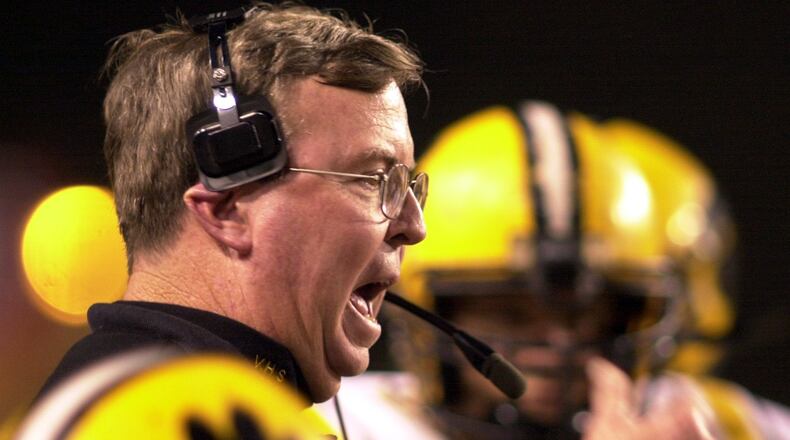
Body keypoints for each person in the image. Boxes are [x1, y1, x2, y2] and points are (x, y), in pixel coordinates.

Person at [35, 2, 427, 410]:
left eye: (409, 185)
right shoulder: (151, 415)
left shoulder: (198, 400)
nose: (414, 226)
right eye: (374, 180)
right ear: (228, 210)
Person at [360, 100, 789, 439]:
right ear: (432, 314)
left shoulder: (723, 424)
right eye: (511, 314)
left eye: (582, 313)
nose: (558, 343)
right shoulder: (345, 425)